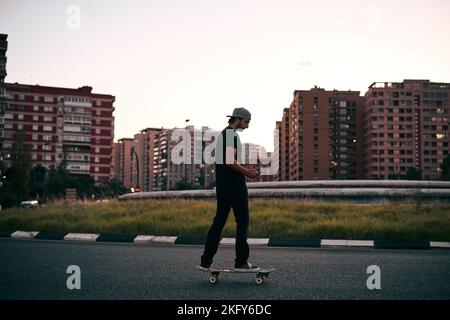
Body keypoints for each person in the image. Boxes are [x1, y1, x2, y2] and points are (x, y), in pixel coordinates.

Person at [200, 107, 259, 271]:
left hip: (223, 187)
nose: (247, 126)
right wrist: (247, 172)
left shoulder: (223, 135)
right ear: (238, 119)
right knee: (242, 223)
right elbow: (229, 161)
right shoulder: (231, 135)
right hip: (235, 187)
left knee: (218, 223)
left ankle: (206, 260)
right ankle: (241, 262)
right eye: (246, 122)